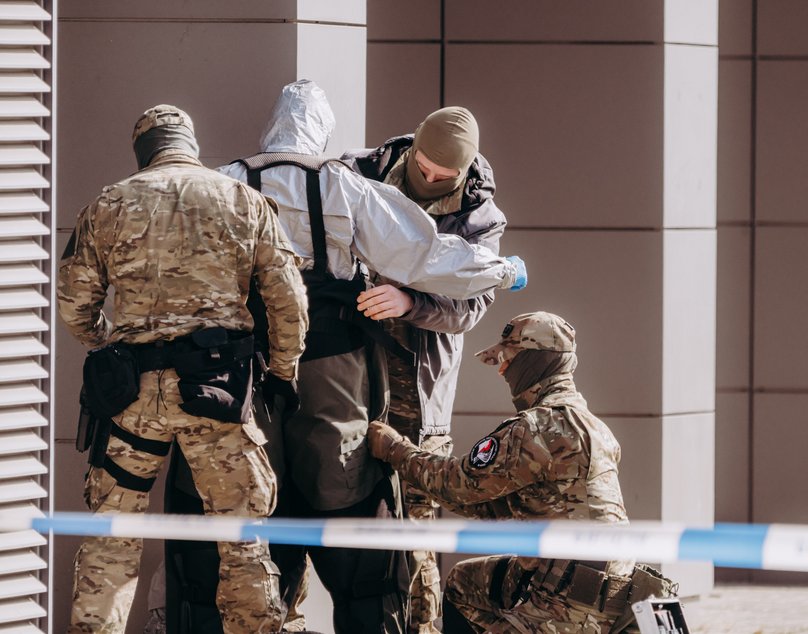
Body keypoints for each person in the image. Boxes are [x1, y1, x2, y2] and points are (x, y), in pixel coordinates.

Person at [163, 80, 527, 634]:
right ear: (322, 133)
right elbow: (422, 253)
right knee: (342, 491)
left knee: (253, 495)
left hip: (243, 367)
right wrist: (503, 271)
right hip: (332, 365)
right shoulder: (343, 182)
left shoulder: (225, 181)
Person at [57, 105, 308, 634]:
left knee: (111, 537)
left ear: (143, 151)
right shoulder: (243, 200)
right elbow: (288, 302)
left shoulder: (108, 204)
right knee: (241, 539)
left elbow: (74, 303)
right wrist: (283, 372)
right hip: (217, 393)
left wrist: (108, 347)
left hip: (131, 399)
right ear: (190, 145)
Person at [367, 312, 678, 633]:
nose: (502, 370)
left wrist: (394, 449)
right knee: (465, 582)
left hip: (570, 604)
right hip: (601, 588)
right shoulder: (592, 426)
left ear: (533, 361)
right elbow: (488, 503)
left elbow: (459, 485)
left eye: (507, 359)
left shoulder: (539, 427)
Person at [342, 105, 503, 634]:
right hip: (345, 371)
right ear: (412, 147)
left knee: (416, 533)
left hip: (418, 386)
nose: (429, 180)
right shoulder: (356, 173)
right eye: (423, 167)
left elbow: (472, 306)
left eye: (443, 176)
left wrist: (410, 302)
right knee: (325, 514)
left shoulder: (480, 218)